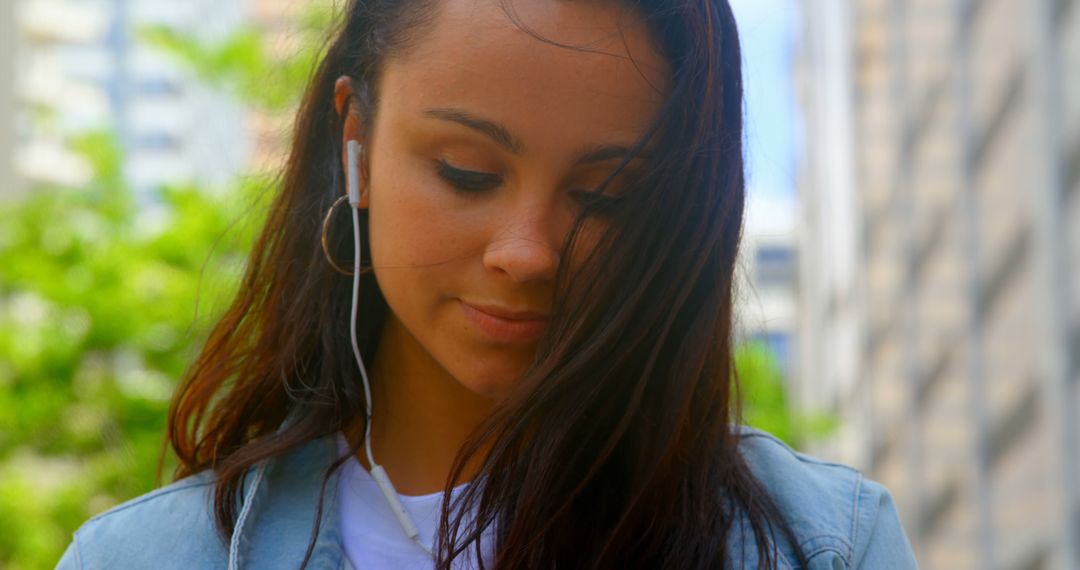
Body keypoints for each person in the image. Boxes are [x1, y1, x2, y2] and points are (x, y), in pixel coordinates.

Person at [57, 0, 919, 568]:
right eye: (467, 172)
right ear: (356, 135)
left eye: (605, 197)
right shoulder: (140, 557)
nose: (527, 252)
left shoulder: (826, 545)